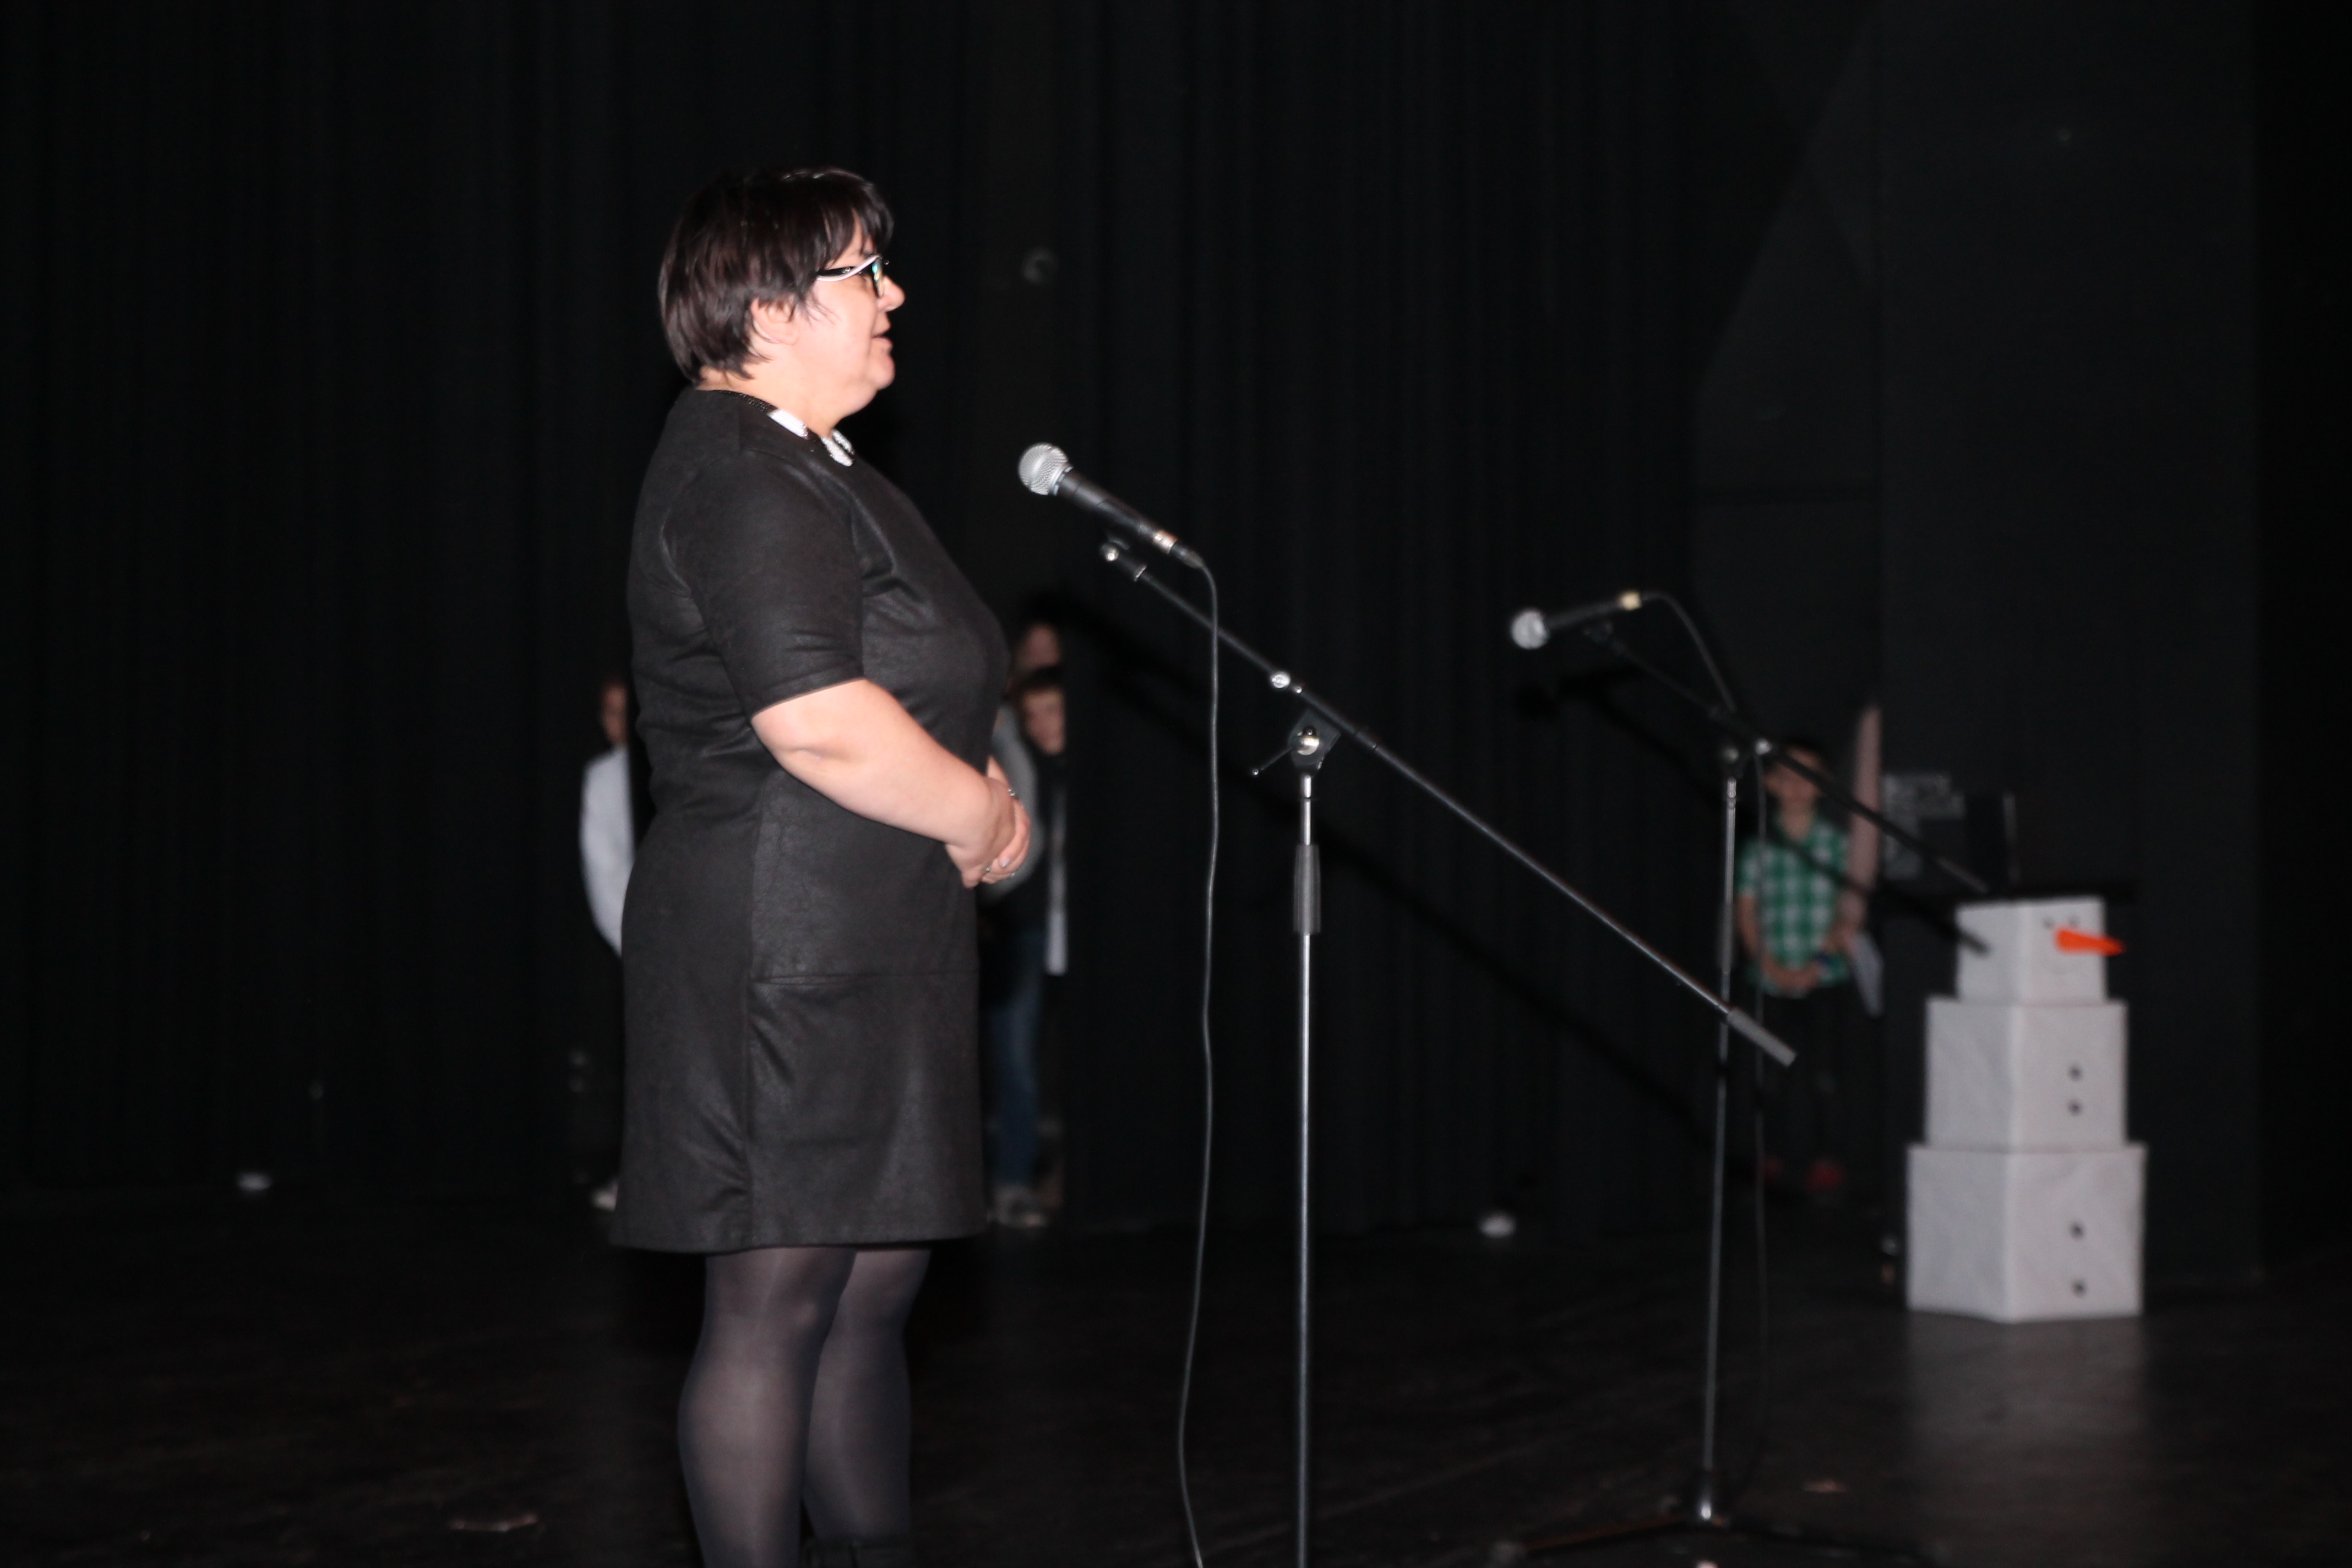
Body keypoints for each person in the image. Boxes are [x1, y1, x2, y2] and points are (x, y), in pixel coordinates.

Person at [613, 167, 1029, 1568]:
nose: (894, 293)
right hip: (779, 950)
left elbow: (922, 676)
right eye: (862, 272)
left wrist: (984, 798)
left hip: (866, 939)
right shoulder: (739, 467)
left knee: (868, 1293)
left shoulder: (817, 463)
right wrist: (978, 816)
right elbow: (819, 720)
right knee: (780, 1297)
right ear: (769, 308)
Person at [1735, 738, 1869, 1200]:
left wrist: (1817, 966)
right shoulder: (1758, 846)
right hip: (1769, 980)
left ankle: (1829, 1160)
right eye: (1787, 776)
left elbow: (1847, 915)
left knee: (1826, 1075)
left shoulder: (1837, 845)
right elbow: (1746, 912)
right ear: (1771, 784)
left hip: (1824, 980)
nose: (1796, 787)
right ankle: (1770, 1156)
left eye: (1807, 777)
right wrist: (1767, 964)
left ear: (1823, 786)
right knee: (1769, 1074)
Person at [979, 665, 1068, 1228]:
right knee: (1014, 1061)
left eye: (1053, 710)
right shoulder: (1017, 761)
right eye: (1032, 714)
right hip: (1024, 926)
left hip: (1062, 928)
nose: (1042, 724)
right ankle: (1011, 1185)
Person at [580, 674, 635, 954]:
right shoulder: (602, 779)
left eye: (627, 711)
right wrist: (634, 946)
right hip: (642, 937)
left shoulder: (675, 765)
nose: (622, 721)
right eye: (613, 713)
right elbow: (603, 874)